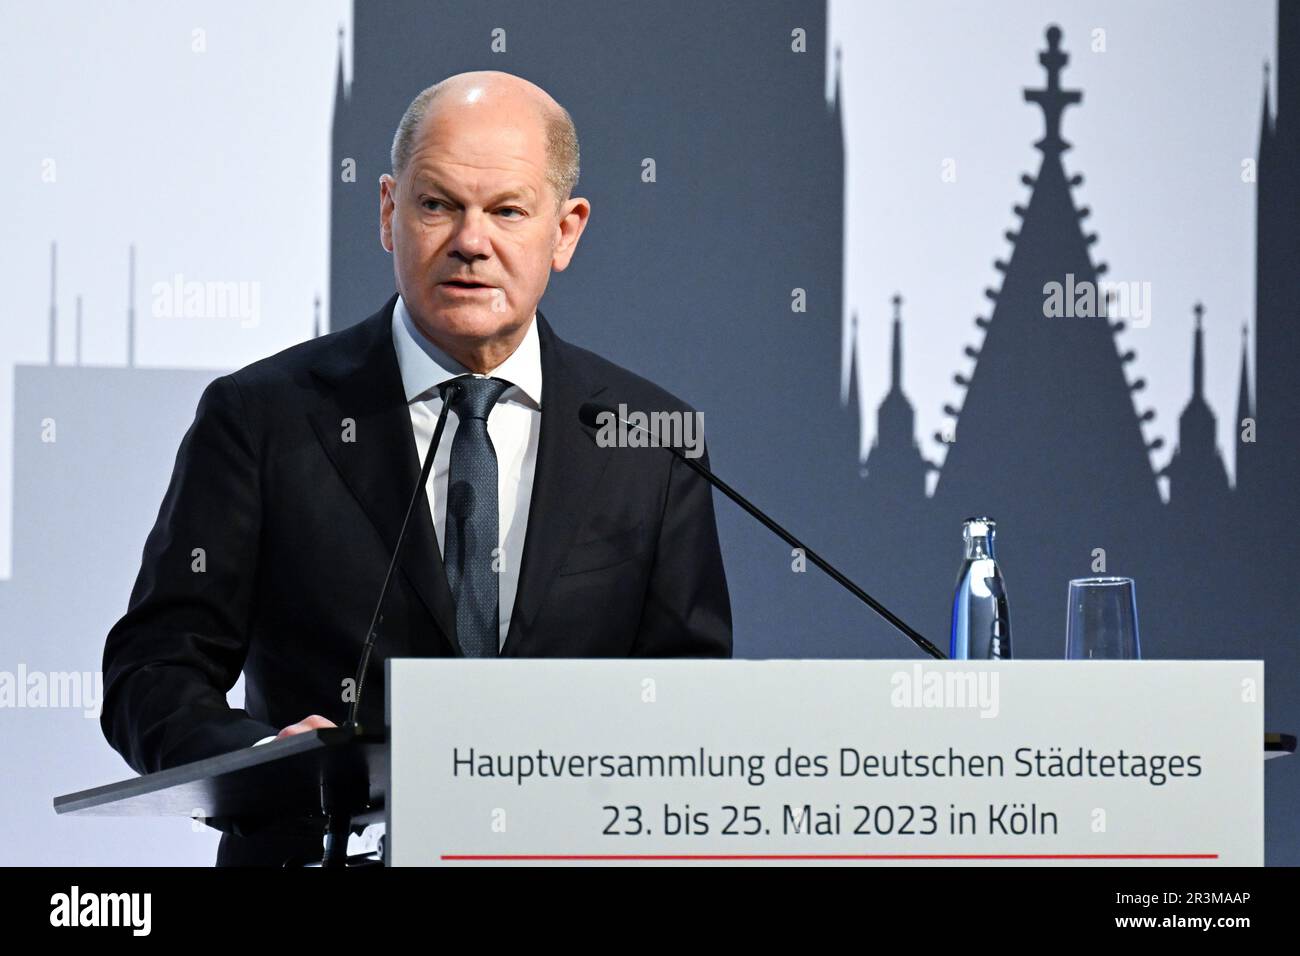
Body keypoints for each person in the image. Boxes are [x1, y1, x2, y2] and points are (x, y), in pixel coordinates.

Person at [100, 70, 732, 866]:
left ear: (565, 232)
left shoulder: (649, 437)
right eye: (438, 206)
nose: (472, 241)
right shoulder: (261, 417)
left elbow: (690, 699)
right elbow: (152, 672)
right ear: (389, 212)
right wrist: (264, 763)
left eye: (507, 210)